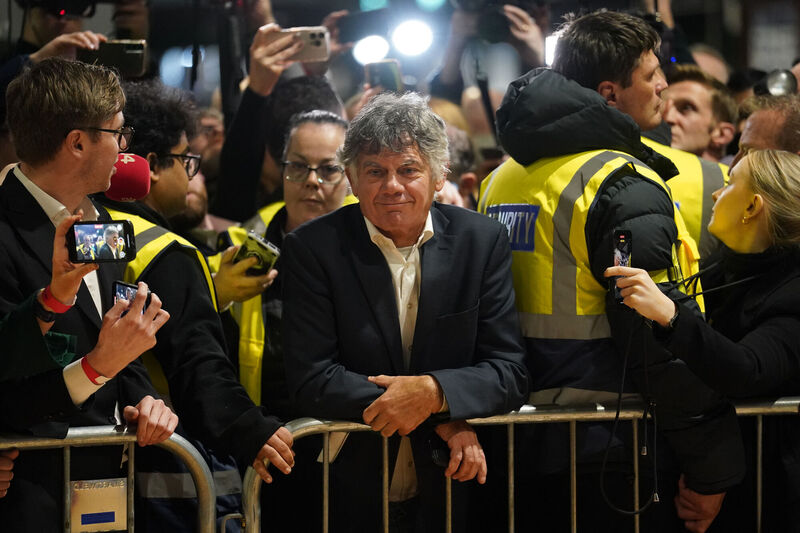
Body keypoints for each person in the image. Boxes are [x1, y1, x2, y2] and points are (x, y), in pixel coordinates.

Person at [479, 10, 744, 532]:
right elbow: (651, 334)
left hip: (515, 441)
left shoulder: (502, 179)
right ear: (608, 92)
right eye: (652, 75)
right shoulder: (620, 182)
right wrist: (712, 464)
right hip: (609, 445)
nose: (665, 84)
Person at [281, 92, 529, 531]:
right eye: (374, 171)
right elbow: (311, 376)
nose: (391, 186)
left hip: (454, 488)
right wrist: (440, 418)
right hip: (347, 487)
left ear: (439, 176)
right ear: (352, 181)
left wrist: (435, 394)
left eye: (408, 170)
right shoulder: (312, 249)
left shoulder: (482, 242)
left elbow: (508, 370)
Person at [0, 57, 175, 531]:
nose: (124, 148)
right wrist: (97, 367)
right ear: (78, 142)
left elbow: (116, 348)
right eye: (119, 132)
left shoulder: (101, 221)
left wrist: (146, 400)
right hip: (25, 497)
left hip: (105, 480)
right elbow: (7, 387)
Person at [94, 78, 294, 489]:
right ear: (151, 162)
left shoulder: (92, 230)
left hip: (93, 452)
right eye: (186, 161)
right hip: (164, 466)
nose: (191, 177)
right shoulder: (167, 250)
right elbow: (196, 362)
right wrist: (247, 427)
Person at [607, 149, 800, 532]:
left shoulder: (792, 288)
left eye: (729, 185)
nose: (716, 194)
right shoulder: (720, 265)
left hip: (771, 488)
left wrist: (670, 315)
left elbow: (749, 370)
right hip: (718, 469)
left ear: (752, 207)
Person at [663, 64, 737, 163]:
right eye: (662, 106)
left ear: (721, 134)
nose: (668, 117)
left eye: (687, 108)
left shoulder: (742, 178)